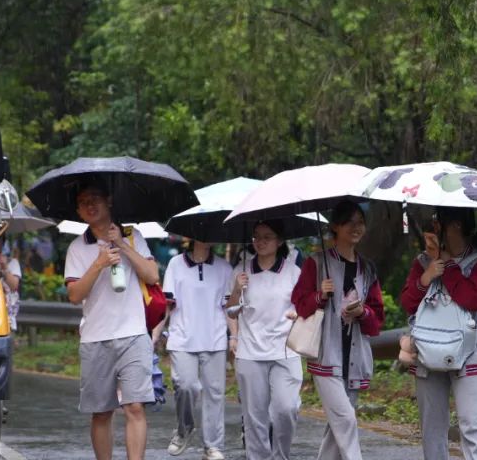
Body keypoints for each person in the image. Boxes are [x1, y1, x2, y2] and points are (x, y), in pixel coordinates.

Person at [64, 180, 161, 460]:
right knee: (102, 411)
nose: (90, 205)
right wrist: (99, 263)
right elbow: (74, 294)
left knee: (134, 407)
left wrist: (121, 243)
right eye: (83, 202)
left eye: (95, 198)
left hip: (133, 334)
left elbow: (153, 276)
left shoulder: (133, 235)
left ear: (109, 201)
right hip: (96, 337)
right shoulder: (77, 247)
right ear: (79, 211)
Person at [399, 207, 477, 460]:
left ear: (454, 225)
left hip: (470, 354)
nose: (433, 227)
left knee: (473, 426)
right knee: (431, 428)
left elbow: (473, 299)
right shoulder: (423, 261)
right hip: (427, 350)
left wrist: (447, 264)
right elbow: (409, 303)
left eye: (437, 221)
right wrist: (427, 276)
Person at [291, 201, 385, 460]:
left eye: (360, 222)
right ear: (335, 226)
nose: (356, 227)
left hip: (355, 359)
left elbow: (377, 317)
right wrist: (320, 295)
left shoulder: (367, 268)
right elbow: (300, 305)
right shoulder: (316, 263)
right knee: (345, 420)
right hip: (326, 355)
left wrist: (362, 313)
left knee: (337, 429)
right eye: (349, 222)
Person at [226, 220, 303, 460]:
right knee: (254, 417)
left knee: (286, 408)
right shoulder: (241, 269)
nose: (260, 242)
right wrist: (238, 289)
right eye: (257, 236)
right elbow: (229, 310)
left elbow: (305, 307)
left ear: (280, 241)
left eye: (267, 237)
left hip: (286, 350)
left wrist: (297, 314)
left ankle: (281, 456)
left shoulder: (293, 271)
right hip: (250, 354)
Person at [161, 239, 233, 460]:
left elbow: (228, 306)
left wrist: (235, 336)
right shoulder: (175, 264)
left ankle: (213, 445)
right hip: (182, 338)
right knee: (186, 386)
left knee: (215, 394)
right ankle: (184, 430)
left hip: (215, 337)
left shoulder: (224, 268)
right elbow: (168, 303)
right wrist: (156, 333)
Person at [0, 238, 22, 331]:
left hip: (7, 313)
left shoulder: (12, 263)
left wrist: (4, 267)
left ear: (2, 244)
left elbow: (14, 286)